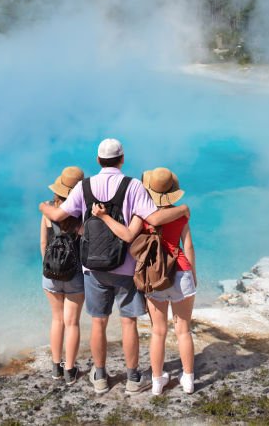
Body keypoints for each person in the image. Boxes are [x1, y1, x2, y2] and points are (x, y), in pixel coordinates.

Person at [38, 139, 189, 394]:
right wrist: (183, 209)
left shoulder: (84, 187)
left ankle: (99, 376)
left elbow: (57, 216)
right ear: (122, 159)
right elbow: (153, 218)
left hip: (92, 268)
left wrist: (43, 206)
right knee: (128, 322)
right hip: (126, 266)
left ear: (98, 160)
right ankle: (132, 378)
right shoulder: (134, 186)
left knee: (99, 322)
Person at [92, 166, 197, 395]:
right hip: (181, 272)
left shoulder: (141, 216)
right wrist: (193, 275)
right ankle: (188, 379)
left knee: (158, 331)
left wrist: (103, 217)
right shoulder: (181, 214)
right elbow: (187, 246)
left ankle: (157, 382)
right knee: (183, 330)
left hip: (153, 275)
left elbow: (128, 237)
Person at [40, 166, 86, 385]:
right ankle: (70, 370)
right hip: (75, 275)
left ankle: (55, 368)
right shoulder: (81, 213)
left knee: (57, 320)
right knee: (72, 323)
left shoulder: (48, 209)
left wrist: (50, 266)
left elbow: (43, 243)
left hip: (50, 274)